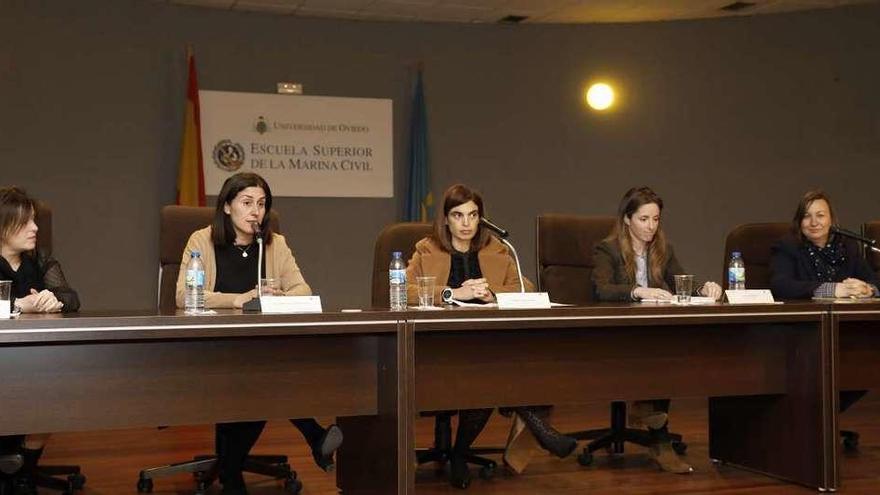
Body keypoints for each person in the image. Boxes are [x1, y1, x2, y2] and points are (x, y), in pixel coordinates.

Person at [175, 173, 341, 495]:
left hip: (257, 348)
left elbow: (302, 287)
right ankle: (313, 435)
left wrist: (277, 298)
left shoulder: (273, 243)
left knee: (259, 377)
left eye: (262, 204)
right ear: (227, 207)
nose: (256, 212)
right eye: (247, 203)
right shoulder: (202, 240)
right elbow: (184, 295)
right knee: (262, 380)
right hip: (211, 349)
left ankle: (232, 475)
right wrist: (236, 300)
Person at [405, 184, 577, 488]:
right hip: (439, 344)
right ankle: (541, 431)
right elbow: (405, 291)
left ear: (482, 218)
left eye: (473, 215)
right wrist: (453, 292)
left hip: (484, 341)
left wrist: (493, 295)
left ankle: (460, 454)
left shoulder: (497, 248)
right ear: (446, 219)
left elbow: (526, 289)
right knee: (489, 372)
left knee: (489, 371)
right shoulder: (426, 249)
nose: (467, 223)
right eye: (458, 215)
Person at [591, 186, 722, 474]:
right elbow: (602, 290)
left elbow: (678, 280)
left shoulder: (662, 248)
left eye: (655, 219)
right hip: (619, 332)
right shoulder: (608, 249)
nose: (651, 226)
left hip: (653, 330)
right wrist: (638, 291)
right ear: (627, 219)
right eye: (643, 219)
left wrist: (704, 287)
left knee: (669, 350)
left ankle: (650, 415)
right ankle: (660, 442)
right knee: (660, 354)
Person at [770, 190, 877, 446]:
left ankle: (815, 421)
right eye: (807, 216)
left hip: (845, 332)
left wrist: (868, 288)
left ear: (832, 220)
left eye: (820, 215)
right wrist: (832, 289)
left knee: (866, 364)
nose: (814, 222)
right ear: (799, 221)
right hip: (802, 333)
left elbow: (874, 278)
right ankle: (807, 423)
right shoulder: (788, 247)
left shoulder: (847, 247)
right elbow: (781, 286)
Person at [0, 186, 81, 492]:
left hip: (36, 360)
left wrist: (53, 300)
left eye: (35, 220)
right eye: (26, 222)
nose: (35, 228)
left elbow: (72, 297)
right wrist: (20, 305)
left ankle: (23, 467)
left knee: (55, 390)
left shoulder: (40, 259)